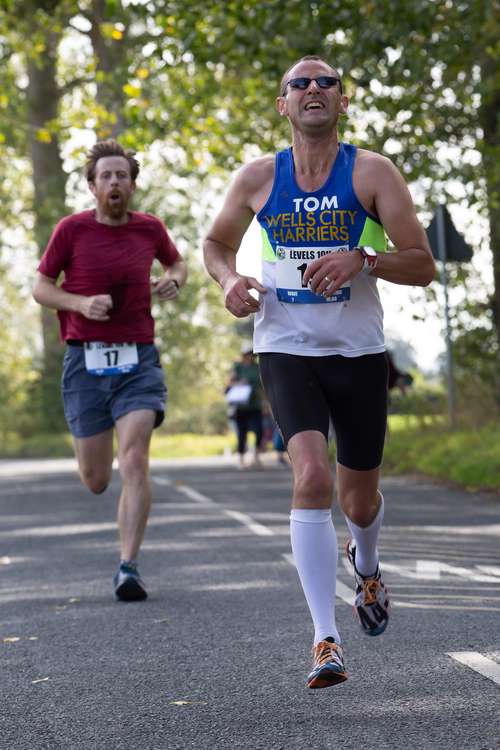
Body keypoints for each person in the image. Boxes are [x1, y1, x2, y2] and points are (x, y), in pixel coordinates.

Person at [203, 55, 435, 688]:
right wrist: (229, 281)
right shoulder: (257, 178)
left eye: (324, 82)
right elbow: (215, 244)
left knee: (358, 497)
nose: (312, 89)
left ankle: (368, 563)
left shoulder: (372, 173)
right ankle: (324, 640)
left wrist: (363, 258)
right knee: (310, 476)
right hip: (284, 346)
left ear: (342, 100)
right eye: (298, 83)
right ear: (283, 104)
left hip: (358, 353)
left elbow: (422, 263)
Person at [33, 139, 187, 602]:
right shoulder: (71, 230)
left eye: (122, 175)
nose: (115, 182)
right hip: (85, 361)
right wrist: (79, 302)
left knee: (136, 456)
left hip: (138, 358)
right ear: (92, 185)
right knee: (97, 479)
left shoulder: (149, 228)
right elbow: (41, 287)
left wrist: (172, 281)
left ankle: (128, 566)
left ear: (133, 185)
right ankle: (106, 491)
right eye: (107, 176)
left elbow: (176, 263)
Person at [225, 346, 264, 469]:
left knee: (259, 431)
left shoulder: (257, 368)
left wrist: (266, 402)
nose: (249, 357)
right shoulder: (238, 368)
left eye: (251, 355)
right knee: (242, 433)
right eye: (247, 354)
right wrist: (240, 383)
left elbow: (262, 385)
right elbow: (229, 383)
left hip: (255, 405)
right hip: (240, 406)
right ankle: (241, 459)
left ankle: (256, 457)